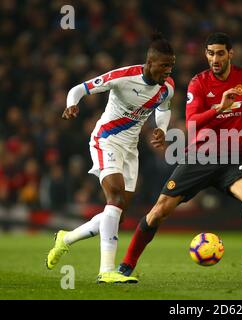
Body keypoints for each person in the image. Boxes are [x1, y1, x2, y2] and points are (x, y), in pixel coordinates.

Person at [117, 32, 242, 277]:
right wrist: (219, 108)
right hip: (201, 157)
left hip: (234, 158)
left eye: (220, 53)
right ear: (206, 54)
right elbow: (192, 123)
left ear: (230, 53)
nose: (215, 58)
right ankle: (126, 266)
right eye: (211, 53)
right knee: (158, 211)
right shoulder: (198, 83)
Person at [45, 33, 176, 284]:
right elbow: (80, 89)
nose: (168, 71)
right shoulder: (123, 77)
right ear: (149, 63)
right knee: (114, 198)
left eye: (171, 65)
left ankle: (66, 238)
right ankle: (106, 271)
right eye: (164, 65)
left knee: (117, 214)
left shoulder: (167, 88)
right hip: (106, 140)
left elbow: (163, 108)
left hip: (131, 149)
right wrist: (72, 104)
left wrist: (162, 129)